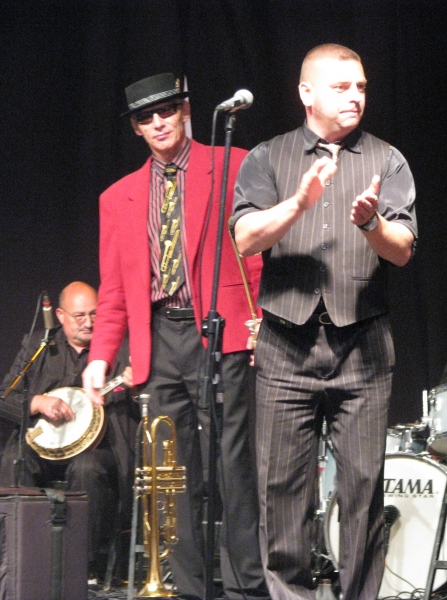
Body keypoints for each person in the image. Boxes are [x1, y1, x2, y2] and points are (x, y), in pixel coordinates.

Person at [231, 44, 417, 600]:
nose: (355, 96)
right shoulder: (268, 157)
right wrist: (298, 203)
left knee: (362, 493)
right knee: (281, 495)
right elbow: (244, 239)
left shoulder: (387, 158)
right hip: (285, 346)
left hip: (363, 344)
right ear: (306, 93)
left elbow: (403, 250)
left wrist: (372, 224)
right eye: (341, 87)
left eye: (361, 86)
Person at [82, 73, 268, 600]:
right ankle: (188, 589)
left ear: (186, 110)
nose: (159, 122)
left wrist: (261, 320)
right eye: (146, 117)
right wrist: (99, 356)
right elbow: (114, 288)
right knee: (174, 472)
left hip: (221, 329)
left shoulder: (234, 163)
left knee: (233, 465)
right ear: (137, 129)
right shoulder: (118, 197)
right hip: (159, 337)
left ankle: (246, 588)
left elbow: (258, 251)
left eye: (167, 110)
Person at [0, 281, 139, 586]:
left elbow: (145, 403)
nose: (88, 322)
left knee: (88, 468)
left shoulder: (120, 348)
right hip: (42, 445)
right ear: (60, 315)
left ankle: (85, 568)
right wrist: (38, 402)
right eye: (79, 316)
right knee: (13, 459)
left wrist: (135, 385)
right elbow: (4, 397)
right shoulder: (38, 346)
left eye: (94, 314)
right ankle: (16, 558)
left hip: (99, 447)